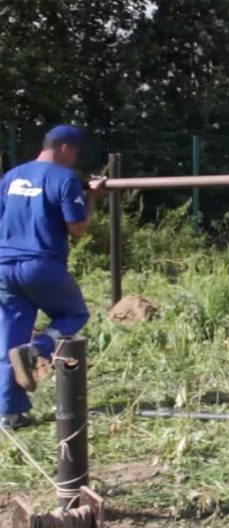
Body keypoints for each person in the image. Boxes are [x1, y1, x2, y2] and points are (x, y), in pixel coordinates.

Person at [0, 125, 106, 429]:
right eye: (74, 153)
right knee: (74, 313)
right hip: (40, 264)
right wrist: (93, 198)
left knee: (9, 335)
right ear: (65, 149)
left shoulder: (12, 176)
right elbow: (77, 229)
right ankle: (36, 350)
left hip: (4, 264)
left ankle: (9, 413)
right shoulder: (64, 178)